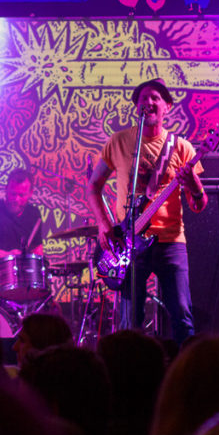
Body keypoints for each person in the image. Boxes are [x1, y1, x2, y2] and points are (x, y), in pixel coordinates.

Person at [85, 78, 206, 343]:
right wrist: (104, 225)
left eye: (155, 98)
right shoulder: (119, 141)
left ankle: (186, 365)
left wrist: (194, 183)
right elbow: (93, 186)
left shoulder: (182, 147)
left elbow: (198, 204)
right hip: (129, 242)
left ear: (167, 106)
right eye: (143, 98)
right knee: (130, 321)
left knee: (182, 315)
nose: (148, 102)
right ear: (137, 106)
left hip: (171, 242)